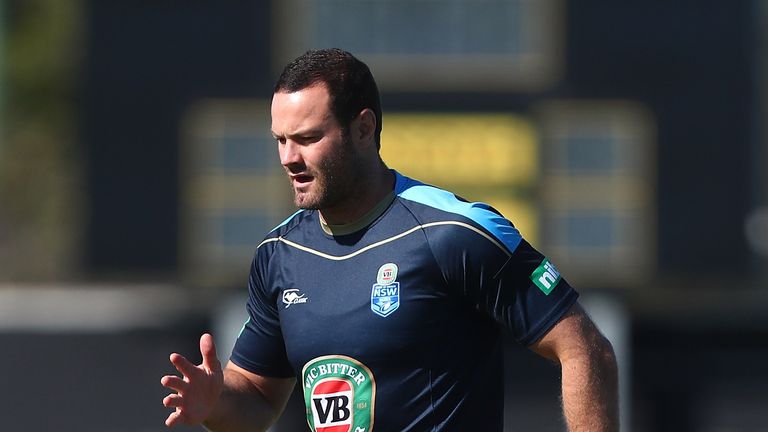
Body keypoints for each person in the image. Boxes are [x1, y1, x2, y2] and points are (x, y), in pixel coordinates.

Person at [161, 48, 619, 432]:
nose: (288, 158)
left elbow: (584, 347)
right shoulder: (279, 255)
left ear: (363, 129)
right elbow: (257, 399)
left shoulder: (455, 233)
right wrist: (215, 402)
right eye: (280, 140)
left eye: (307, 138)